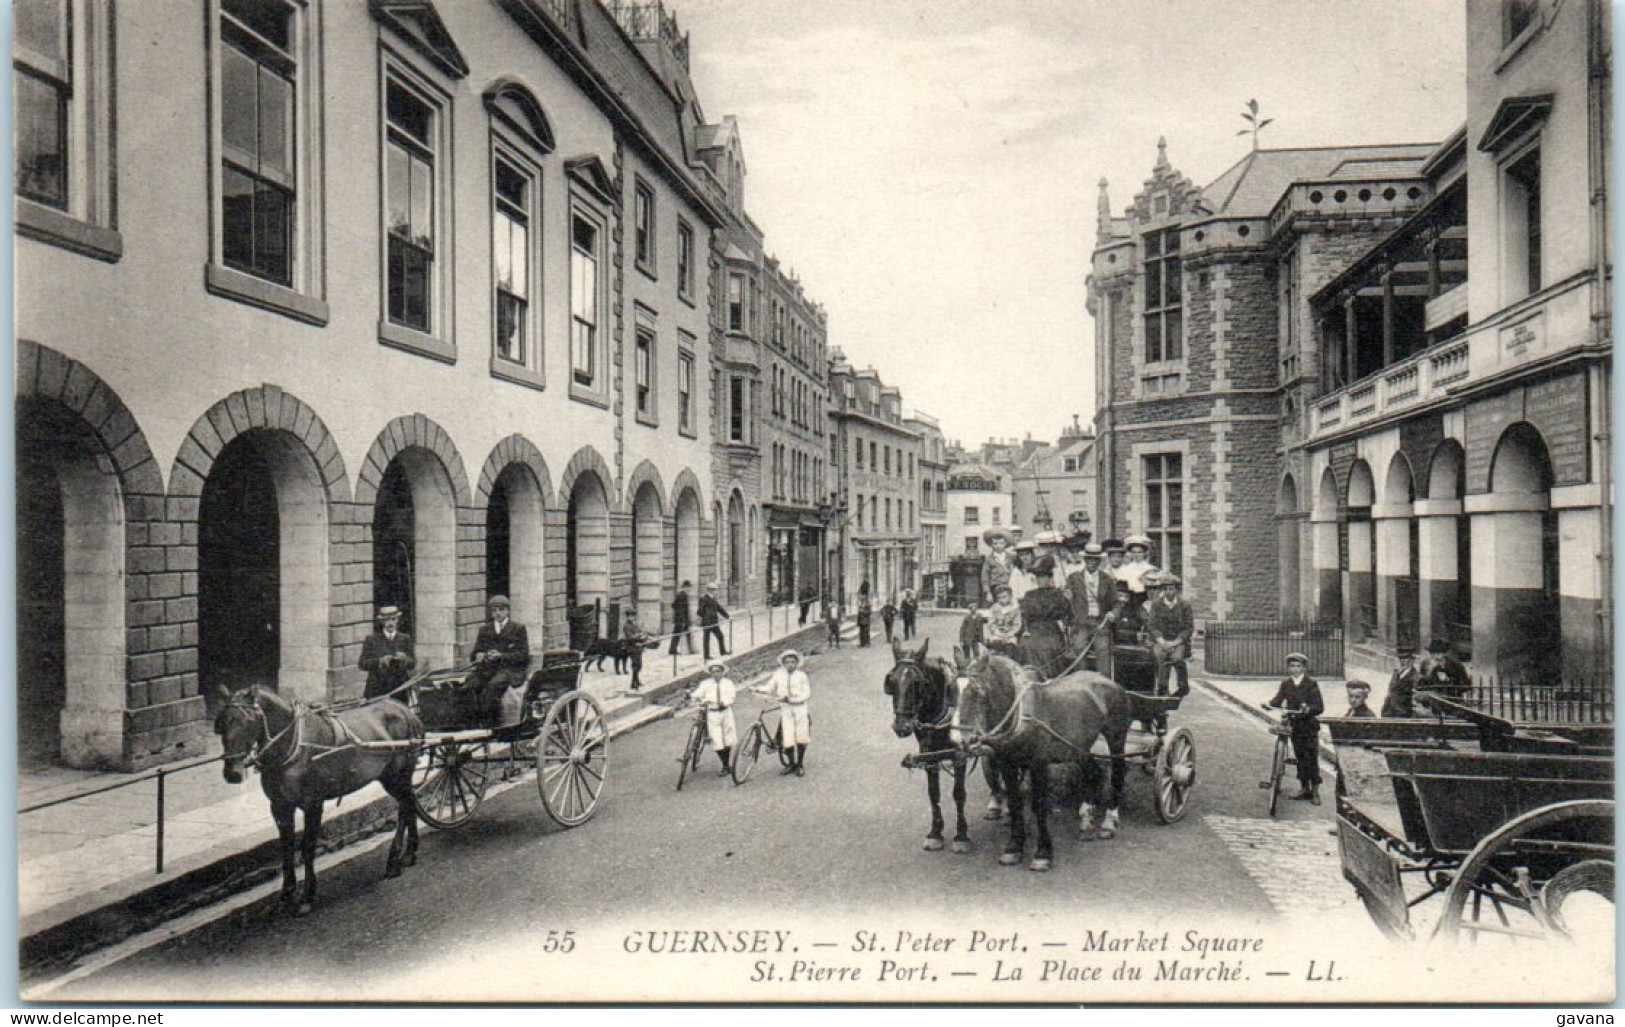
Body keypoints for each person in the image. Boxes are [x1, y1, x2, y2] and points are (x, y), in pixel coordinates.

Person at [1263, 653, 1324, 805]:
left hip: (1309, 726)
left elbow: (1319, 707)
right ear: (1288, 668)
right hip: (1295, 725)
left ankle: (1315, 791)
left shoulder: (1311, 684)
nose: (1295, 669)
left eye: (1298, 666)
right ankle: (1304, 788)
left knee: (1311, 758)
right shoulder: (1286, 684)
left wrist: (1308, 708)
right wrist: (1269, 705)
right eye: (1292, 666)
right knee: (1300, 757)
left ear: (1304, 668)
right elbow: (1278, 700)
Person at [469, 595, 531, 726]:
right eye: (494, 610)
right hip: (488, 669)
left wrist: (501, 655)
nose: (497, 613)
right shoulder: (485, 629)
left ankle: (493, 723)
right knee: (470, 684)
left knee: (493, 686)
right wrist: (478, 655)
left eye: (501, 609)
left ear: (508, 611)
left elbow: (523, 655)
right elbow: (475, 652)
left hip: (511, 670)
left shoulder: (518, 629)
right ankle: (473, 721)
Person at [1065, 543, 1118, 674]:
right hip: (1081, 623)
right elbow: (1065, 605)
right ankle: (1081, 681)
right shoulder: (1074, 578)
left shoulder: (1107, 579)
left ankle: (1103, 684)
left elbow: (1116, 603)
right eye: (1089, 559)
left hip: (1100, 623)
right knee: (1078, 647)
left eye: (1095, 560)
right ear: (1085, 560)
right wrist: (1067, 598)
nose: (1092, 563)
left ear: (1100, 561)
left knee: (1103, 650)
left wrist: (1113, 613)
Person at [759, 650, 812, 776]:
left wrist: (793, 698)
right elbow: (769, 687)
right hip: (786, 709)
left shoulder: (801, 675)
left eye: (793, 662)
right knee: (787, 736)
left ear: (797, 663)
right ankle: (791, 764)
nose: (790, 665)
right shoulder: (778, 674)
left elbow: (806, 693)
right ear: (783, 663)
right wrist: (758, 689)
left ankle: (800, 764)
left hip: (799, 708)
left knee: (801, 735)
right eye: (787, 662)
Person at [1017, 555, 1072, 678]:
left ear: (1050, 578)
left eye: (1044, 577)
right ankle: (1030, 676)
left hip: (1050, 628)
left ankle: (1048, 676)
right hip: (1033, 628)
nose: (1041, 580)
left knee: (1048, 646)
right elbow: (1025, 615)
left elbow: (1065, 614)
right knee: (1026, 644)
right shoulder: (1030, 595)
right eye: (1039, 578)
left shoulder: (1057, 594)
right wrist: (1025, 630)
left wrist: (1067, 601)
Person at [1142, 572, 1193, 697]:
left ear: (1176, 589)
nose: (1169, 592)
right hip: (1161, 641)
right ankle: (1162, 687)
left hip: (1178, 641)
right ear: (1162, 590)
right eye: (1165, 589)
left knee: (1177, 658)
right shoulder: (1156, 604)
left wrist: (1176, 641)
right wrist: (1161, 641)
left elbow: (1188, 627)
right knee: (1160, 656)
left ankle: (1183, 685)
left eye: (1171, 589)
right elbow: (1152, 625)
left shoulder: (1184, 605)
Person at [688, 660, 738, 775]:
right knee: (716, 739)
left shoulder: (728, 683)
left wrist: (724, 702)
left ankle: (726, 764)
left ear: (722, 672)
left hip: (726, 712)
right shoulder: (706, 683)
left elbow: (731, 696)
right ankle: (725, 765)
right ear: (710, 673)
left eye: (718, 671)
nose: (716, 674)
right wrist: (691, 695)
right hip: (712, 714)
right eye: (713, 672)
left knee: (727, 738)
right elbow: (698, 694)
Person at [359, 604, 416, 700]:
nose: (390, 623)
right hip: (377, 690)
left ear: (398, 620)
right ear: (381, 621)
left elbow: (413, 663)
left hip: (399, 689)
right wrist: (380, 661)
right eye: (387, 620)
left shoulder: (405, 639)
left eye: (393, 619)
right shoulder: (372, 640)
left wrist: (404, 659)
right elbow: (362, 664)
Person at [980, 583, 1025, 660]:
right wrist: (998, 633)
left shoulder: (1015, 609)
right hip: (997, 633)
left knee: (1010, 647)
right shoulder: (994, 608)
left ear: (1010, 596)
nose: (1002, 600)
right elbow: (992, 623)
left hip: (1010, 634)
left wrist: (1009, 634)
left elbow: (1017, 624)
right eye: (999, 597)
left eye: (1004, 597)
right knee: (995, 646)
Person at [1116, 534, 1161, 607]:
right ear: (1130, 553)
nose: (1136, 555)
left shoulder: (1151, 569)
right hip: (1129, 601)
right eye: (1134, 552)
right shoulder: (1124, 569)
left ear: (1144, 553)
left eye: (1139, 552)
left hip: (1145, 600)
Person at [1381, 643, 1422, 717]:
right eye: (1401, 658)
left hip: (1403, 712)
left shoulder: (1415, 676)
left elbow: (1415, 696)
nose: (1403, 661)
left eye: (1406, 658)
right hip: (1389, 710)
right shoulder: (1396, 673)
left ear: (1412, 660)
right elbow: (1390, 690)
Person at [981, 529, 1017, 601]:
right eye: (995, 543)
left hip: (1010, 585)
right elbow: (985, 576)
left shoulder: (1010, 557)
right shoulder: (989, 559)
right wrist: (988, 592)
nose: (998, 546)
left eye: (1001, 543)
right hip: (995, 587)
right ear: (991, 545)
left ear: (1005, 544)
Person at [621, 609, 651, 692]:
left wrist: (643, 635)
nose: (632, 617)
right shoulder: (626, 626)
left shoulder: (634, 624)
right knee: (635, 665)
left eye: (633, 616)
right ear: (627, 617)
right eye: (630, 616)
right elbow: (630, 637)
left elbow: (639, 631)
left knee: (639, 665)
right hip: (631, 647)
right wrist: (639, 635)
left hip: (638, 647)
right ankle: (633, 683)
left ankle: (636, 680)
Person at [698, 583, 730, 660]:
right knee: (706, 639)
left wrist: (726, 615)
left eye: (716, 589)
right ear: (710, 590)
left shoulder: (713, 598)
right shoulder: (704, 598)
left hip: (714, 622)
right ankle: (706, 656)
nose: (716, 591)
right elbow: (700, 611)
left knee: (720, 636)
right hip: (707, 622)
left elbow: (719, 608)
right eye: (714, 589)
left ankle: (723, 652)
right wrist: (706, 616)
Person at [668, 581, 694, 656]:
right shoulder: (682, 595)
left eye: (689, 587)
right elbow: (680, 608)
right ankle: (688, 649)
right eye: (688, 587)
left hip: (681, 619)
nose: (689, 589)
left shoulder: (682, 595)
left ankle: (673, 649)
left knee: (679, 634)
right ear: (685, 587)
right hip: (681, 619)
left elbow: (674, 605)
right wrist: (682, 619)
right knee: (678, 634)